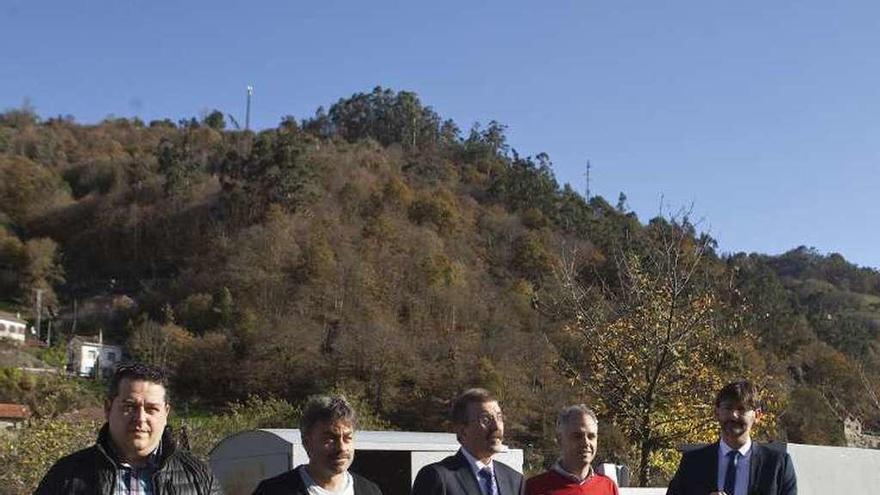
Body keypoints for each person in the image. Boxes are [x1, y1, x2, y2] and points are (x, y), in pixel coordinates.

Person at [35, 362, 221, 494]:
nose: (140, 419)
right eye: (129, 407)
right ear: (108, 408)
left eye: (151, 409)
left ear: (166, 413)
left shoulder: (198, 475)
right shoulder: (66, 475)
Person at [666, 380, 797, 495]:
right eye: (728, 408)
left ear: (757, 416)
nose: (734, 415)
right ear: (716, 412)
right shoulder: (693, 463)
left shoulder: (777, 465)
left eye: (742, 409)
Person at [253, 394, 382, 495]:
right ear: (307, 443)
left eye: (347, 438)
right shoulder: (273, 491)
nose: (341, 447)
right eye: (330, 439)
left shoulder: (369, 491)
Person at [411, 388, 524, 495]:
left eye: (499, 418)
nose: (496, 427)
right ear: (462, 430)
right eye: (485, 419)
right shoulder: (437, 477)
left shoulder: (514, 480)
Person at [526, 405, 618, 495]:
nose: (586, 442)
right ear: (560, 440)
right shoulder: (535, 488)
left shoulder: (608, 487)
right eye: (577, 436)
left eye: (591, 436)